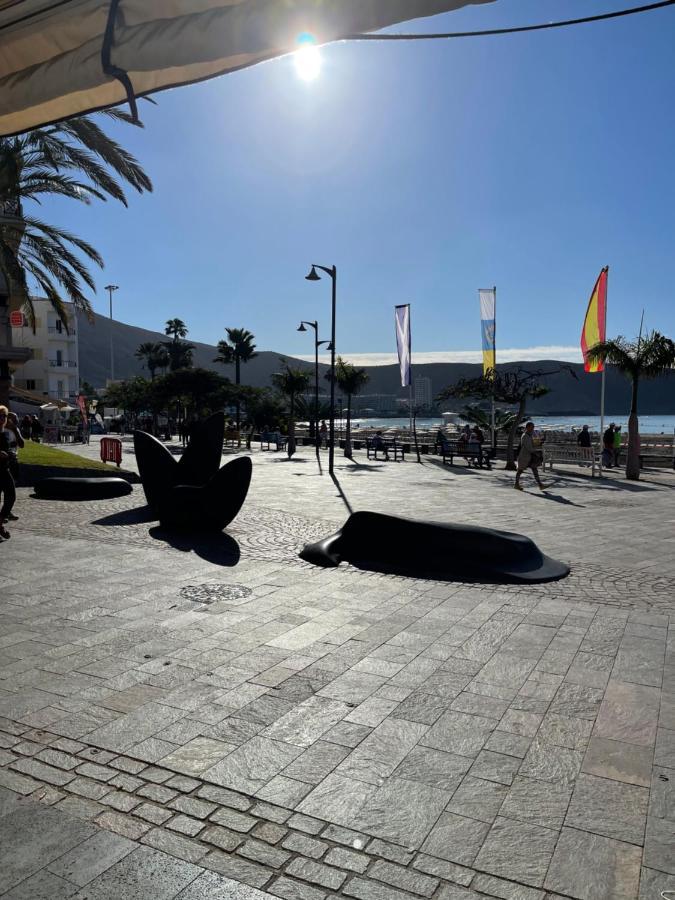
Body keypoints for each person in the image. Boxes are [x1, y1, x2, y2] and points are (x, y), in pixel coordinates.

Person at [0, 406, 17, 537]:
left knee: (11, 495)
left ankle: (0, 522)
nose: (2, 419)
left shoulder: (5, 432)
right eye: (0, 416)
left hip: (4, 469)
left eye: (4, 416)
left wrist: (10, 453)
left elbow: (15, 446)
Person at [515, 421, 546, 491]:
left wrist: (539, 442)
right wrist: (536, 453)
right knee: (520, 470)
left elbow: (532, 445)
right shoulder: (525, 436)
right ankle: (516, 484)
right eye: (532, 427)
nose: (533, 428)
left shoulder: (529, 435)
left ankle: (540, 485)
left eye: (533, 427)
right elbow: (529, 447)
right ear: (527, 427)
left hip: (529, 457)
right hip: (524, 456)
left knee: (534, 469)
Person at [5, 412, 24, 487]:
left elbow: (22, 445)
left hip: (13, 458)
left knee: (13, 481)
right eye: (14, 419)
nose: (17, 421)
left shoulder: (16, 430)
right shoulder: (2, 429)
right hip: (4, 459)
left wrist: (15, 430)